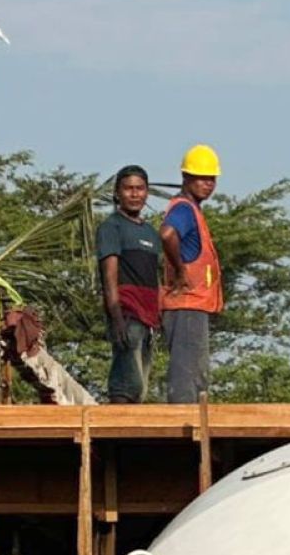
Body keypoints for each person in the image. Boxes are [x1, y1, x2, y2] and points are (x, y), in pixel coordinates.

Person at [160, 144, 224, 403]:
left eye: (211, 179)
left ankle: (192, 419)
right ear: (186, 178)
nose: (207, 184)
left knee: (196, 374)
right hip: (186, 304)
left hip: (193, 305)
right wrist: (180, 270)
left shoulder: (193, 211)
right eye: (201, 178)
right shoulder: (184, 209)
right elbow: (167, 233)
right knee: (187, 376)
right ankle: (184, 428)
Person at [95, 165, 161, 403]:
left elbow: (155, 277)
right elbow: (109, 274)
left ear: (147, 193)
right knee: (126, 381)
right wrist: (116, 316)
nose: (135, 194)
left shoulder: (152, 233)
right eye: (128, 189)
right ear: (117, 193)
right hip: (127, 312)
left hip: (149, 316)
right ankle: (117, 432)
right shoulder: (111, 227)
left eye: (140, 189)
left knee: (141, 383)